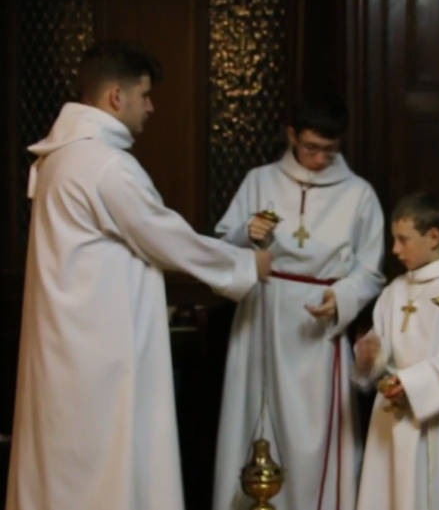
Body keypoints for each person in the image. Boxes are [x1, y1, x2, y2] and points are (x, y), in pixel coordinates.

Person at [5, 40, 267, 510]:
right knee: (108, 469)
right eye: (145, 95)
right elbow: (162, 235)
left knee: (66, 471)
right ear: (115, 97)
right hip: (101, 356)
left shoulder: (58, 158)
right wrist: (245, 264)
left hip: (66, 346)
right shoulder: (105, 164)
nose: (151, 107)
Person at [213, 93, 385, 510]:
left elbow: (371, 270)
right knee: (253, 421)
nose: (320, 158)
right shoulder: (259, 181)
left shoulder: (359, 193)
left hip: (318, 325)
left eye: (330, 149)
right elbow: (221, 249)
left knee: (314, 436)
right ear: (291, 135)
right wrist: (246, 234)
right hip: (263, 315)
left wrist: (341, 297)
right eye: (311, 147)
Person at [353, 191, 439, 510]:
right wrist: (370, 357)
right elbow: (382, 351)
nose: (395, 250)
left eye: (404, 240)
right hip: (391, 418)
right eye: (394, 239)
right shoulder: (394, 291)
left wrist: (413, 384)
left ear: (433, 237)